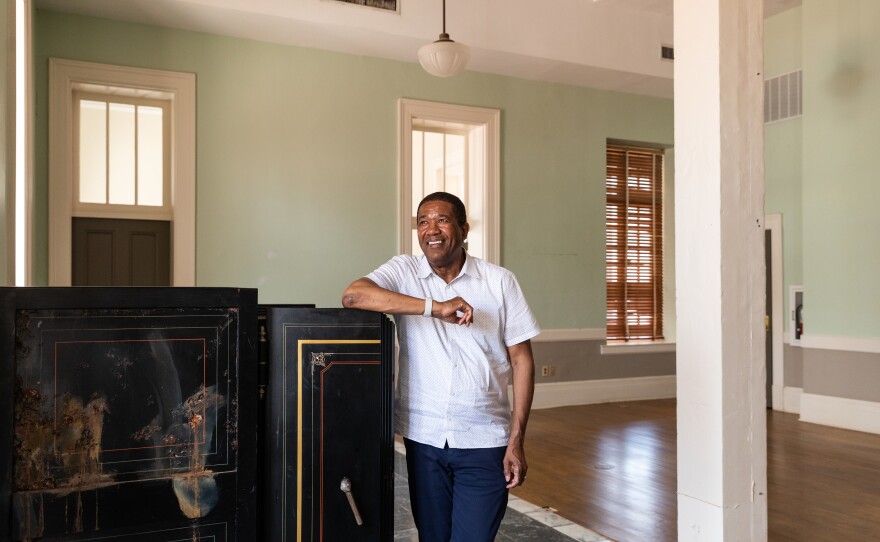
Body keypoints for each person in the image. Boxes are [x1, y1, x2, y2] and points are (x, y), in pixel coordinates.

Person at [341, 191, 540, 541]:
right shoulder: (404, 271)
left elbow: (522, 360)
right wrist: (434, 307)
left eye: (442, 220)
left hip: (484, 438)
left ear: (463, 229)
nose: (431, 230)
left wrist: (516, 439)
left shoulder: (499, 281)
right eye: (423, 222)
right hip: (424, 438)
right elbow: (353, 295)